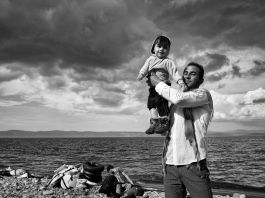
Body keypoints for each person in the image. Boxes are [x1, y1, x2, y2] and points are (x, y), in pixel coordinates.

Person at [147, 62, 214, 198]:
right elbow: (169, 132)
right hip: (170, 165)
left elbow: (179, 99)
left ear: (201, 80)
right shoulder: (174, 105)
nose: (187, 76)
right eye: (185, 73)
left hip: (193, 165)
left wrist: (158, 83)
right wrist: (160, 127)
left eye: (193, 74)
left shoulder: (202, 94)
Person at [137, 35, 185, 134]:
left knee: (162, 105)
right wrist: (141, 74)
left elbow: (174, 72)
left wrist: (180, 81)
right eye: (159, 46)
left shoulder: (168, 62)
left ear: (168, 50)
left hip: (163, 86)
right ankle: (154, 122)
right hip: (152, 88)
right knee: (151, 105)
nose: (162, 49)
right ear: (153, 48)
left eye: (165, 47)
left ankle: (164, 123)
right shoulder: (150, 59)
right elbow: (145, 68)